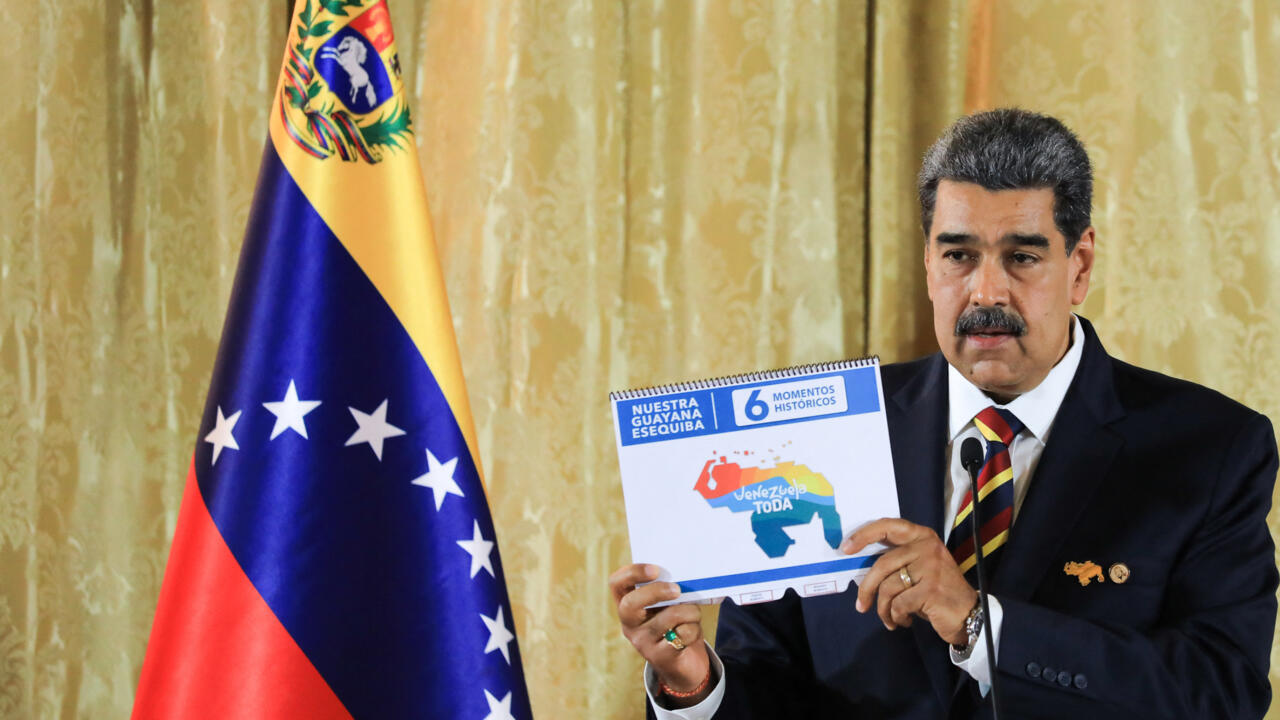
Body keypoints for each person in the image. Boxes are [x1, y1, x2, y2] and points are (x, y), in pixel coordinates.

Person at [609, 108, 1278, 719]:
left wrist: (978, 623)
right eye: (959, 256)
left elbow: (1221, 695)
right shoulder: (820, 433)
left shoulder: (1212, 448)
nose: (986, 291)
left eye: (1022, 257)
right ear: (929, 264)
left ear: (1079, 266)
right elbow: (770, 682)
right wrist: (694, 684)